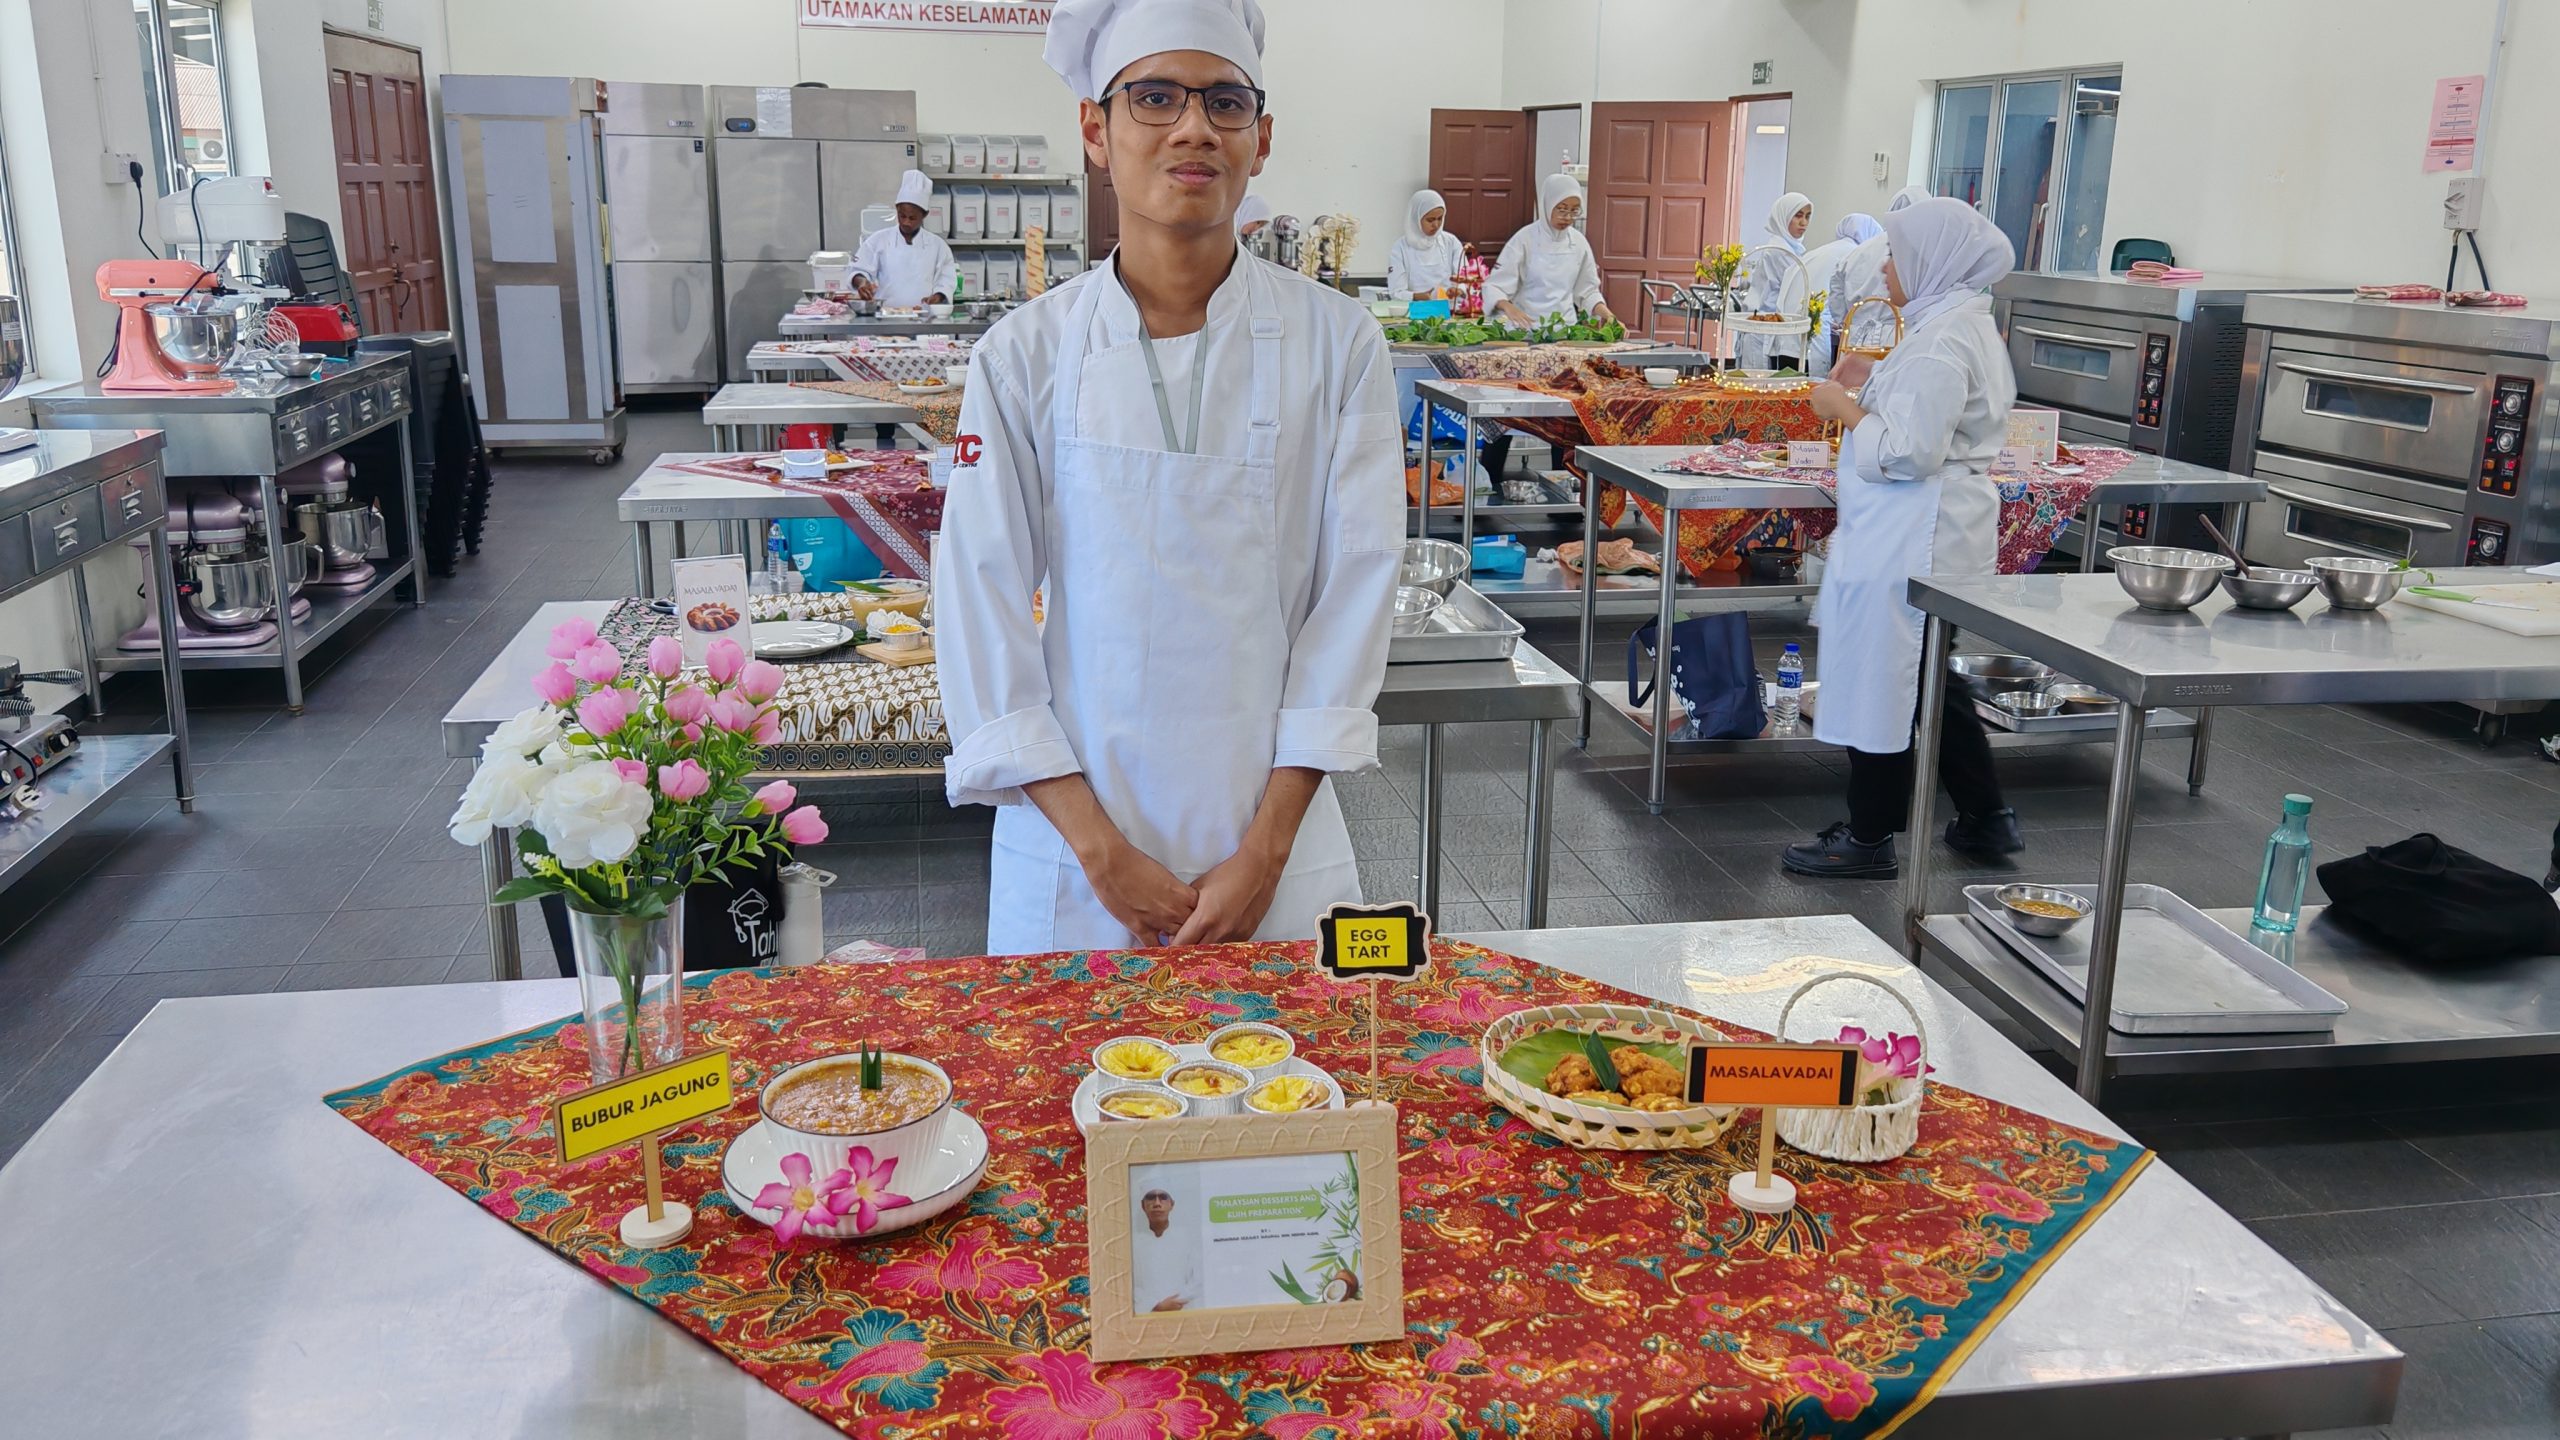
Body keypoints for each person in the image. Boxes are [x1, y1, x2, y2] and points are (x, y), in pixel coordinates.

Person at [937, 0, 1403, 954]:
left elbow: (1355, 592)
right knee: (1063, 1055)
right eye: (1155, 98)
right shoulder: (1022, 356)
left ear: (1261, 138)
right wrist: (1100, 852)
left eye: (1225, 102)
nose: (1194, 128)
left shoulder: (1339, 344)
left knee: (1288, 1054)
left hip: (1274, 848)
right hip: (1075, 858)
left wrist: (1264, 853)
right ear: (1094, 130)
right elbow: (980, 600)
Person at [1781, 197, 2023, 879]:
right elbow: (1923, 409)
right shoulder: (1956, 322)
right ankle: (1985, 816)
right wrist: (1874, 380)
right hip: (1928, 526)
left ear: (1932, 260)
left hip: (1915, 530)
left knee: (1884, 673)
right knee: (1926, 673)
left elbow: (1908, 452)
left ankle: (1868, 836)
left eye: (1896, 254)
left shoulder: (1942, 340)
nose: (1886, 266)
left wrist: (1842, 406)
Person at [1484, 175, 1613, 328]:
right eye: (1562, 210)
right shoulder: (1524, 239)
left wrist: (1608, 315)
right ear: (1548, 204)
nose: (1567, 217)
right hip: (1525, 329)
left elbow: (1588, 292)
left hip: (1565, 330)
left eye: (1574, 211)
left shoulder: (1579, 243)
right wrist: (1509, 307)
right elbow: (1495, 286)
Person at [1828, 185, 1928, 369]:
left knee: (1848, 385)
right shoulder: (1916, 250)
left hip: (1855, 338)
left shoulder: (1859, 250)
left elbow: (1836, 295)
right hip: (1897, 337)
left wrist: (1849, 321)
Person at [851, 170, 959, 307]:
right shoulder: (878, 240)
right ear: (897, 209)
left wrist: (938, 296)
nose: (906, 222)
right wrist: (862, 283)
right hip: (885, 316)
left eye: (912, 218)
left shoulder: (938, 246)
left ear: (925, 215)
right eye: (902, 216)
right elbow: (858, 270)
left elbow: (947, 279)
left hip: (924, 316)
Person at [1734, 191, 1813, 370]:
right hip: (1763, 328)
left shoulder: (1792, 248)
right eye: (1798, 216)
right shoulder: (1779, 250)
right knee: (1759, 382)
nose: (1804, 223)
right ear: (1783, 217)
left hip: (1769, 328)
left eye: (1807, 216)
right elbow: (1796, 288)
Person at [1803, 213, 1881, 377]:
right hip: (1867, 336)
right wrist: (1842, 319)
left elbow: (1836, 297)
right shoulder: (1858, 253)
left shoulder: (1822, 251)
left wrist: (1841, 318)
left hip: (1797, 329)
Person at [1130, 1188, 1202, 1312]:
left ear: (1171, 1204)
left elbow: (1199, 1280)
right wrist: (1156, 1305)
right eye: (1151, 1197)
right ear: (1143, 1205)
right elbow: (1129, 1282)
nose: (1157, 1203)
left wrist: (1175, 1302)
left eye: (1163, 1197)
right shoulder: (1133, 1242)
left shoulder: (1188, 1238)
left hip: (1183, 1312)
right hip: (1146, 1314)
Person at [1385, 188, 1465, 299]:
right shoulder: (1400, 248)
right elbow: (1396, 292)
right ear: (1416, 218)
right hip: (1414, 307)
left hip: (1448, 306)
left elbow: (1464, 277)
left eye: (1440, 218)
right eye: (1430, 220)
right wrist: (1417, 296)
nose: (1436, 225)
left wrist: (1459, 289)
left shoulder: (1451, 242)